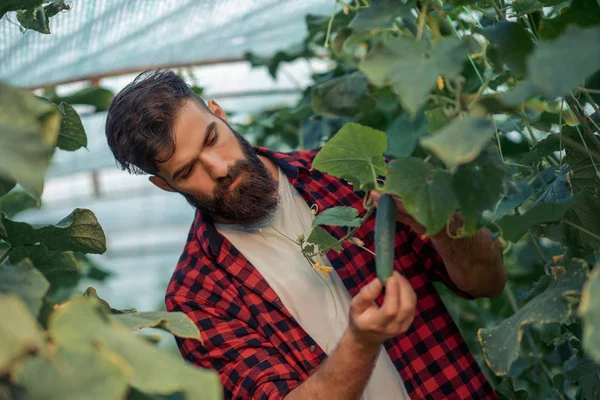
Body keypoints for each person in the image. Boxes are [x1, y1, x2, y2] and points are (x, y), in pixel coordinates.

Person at [105, 69, 507, 400]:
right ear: (166, 186)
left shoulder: (349, 173)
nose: (219, 167)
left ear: (219, 112)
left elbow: (487, 282)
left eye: (212, 138)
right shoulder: (197, 294)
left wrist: (443, 223)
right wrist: (361, 342)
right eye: (188, 170)